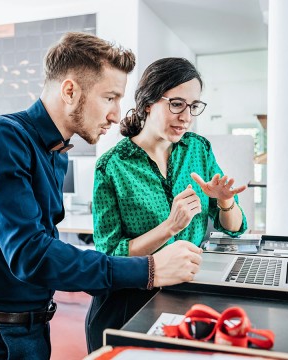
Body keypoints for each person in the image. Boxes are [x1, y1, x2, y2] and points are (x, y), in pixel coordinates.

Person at [0, 32, 204, 360]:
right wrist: (148, 270)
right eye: (110, 98)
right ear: (70, 90)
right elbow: (31, 254)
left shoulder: (56, 153)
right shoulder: (1, 140)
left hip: (31, 328)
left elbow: (47, 247)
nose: (116, 114)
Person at [85, 57, 248, 351]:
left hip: (187, 295)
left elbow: (234, 228)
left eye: (194, 106)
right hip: (128, 304)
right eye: (176, 104)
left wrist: (225, 202)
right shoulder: (112, 166)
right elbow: (110, 254)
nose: (186, 116)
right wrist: (170, 227)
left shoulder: (198, 149)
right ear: (148, 102)